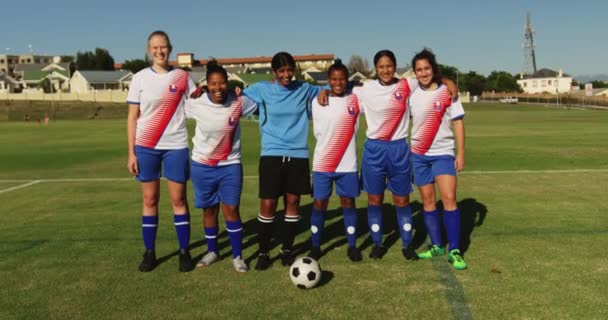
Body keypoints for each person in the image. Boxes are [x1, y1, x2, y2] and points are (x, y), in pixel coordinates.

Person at [319, 50, 457, 261]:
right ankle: (377, 243)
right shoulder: (364, 88)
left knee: (401, 200)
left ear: (394, 67)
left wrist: (449, 82)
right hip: (374, 150)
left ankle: (407, 245)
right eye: (381, 66)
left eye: (389, 66)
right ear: (376, 69)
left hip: (399, 149)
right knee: (374, 199)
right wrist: (324, 90)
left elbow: (430, 78)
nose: (385, 70)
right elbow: (338, 85)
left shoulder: (406, 84)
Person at [243, 52, 325, 270]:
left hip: (298, 154)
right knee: (268, 204)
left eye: (290, 70)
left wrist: (325, 92)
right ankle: (263, 252)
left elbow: (331, 89)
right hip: (271, 154)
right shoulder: (261, 89)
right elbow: (234, 96)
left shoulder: (305, 88)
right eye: (282, 71)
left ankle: (286, 249)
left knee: (293, 202)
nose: (287, 75)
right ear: (274, 72)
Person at [126, 30, 196, 272]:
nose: (159, 51)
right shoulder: (139, 78)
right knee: (150, 199)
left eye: (163, 46)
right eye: (154, 47)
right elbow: (132, 117)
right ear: (149, 50)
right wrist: (131, 153)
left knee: (179, 200)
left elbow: (199, 104)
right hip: (146, 147)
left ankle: (185, 251)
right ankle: (149, 252)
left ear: (170, 48)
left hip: (175, 145)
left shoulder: (183, 77)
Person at [184, 61, 257, 273]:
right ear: (207, 84)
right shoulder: (195, 102)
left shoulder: (239, 101)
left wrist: (242, 90)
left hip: (230, 165)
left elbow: (261, 102)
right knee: (209, 210)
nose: (218, 88)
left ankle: (237, 256)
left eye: (222, 83)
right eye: (213, 84)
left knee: (231, 209)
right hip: (202, 165)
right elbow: (174, 106)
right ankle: (213, 251)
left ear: (228, 83)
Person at [409, 48, 467, 270]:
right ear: (414, 72)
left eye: (426, 68)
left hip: (443, 153)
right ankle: (436, 245)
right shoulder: (412, 93)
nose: (423, 73)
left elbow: (458, 123)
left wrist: (460, 153)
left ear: (433, 69)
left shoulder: (447, 92)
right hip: (419, 155)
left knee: (450, 198)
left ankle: (454, 249)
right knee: (428, 201)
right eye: (419, 70)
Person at [309, 59, 362, 262]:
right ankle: (315, 246)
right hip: (323, 163)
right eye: (333, 79)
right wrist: (322, 89)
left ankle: (352, 245)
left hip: (347, 164)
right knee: (319, 204)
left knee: (348, 202)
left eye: (341, 79)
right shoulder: (317, 101)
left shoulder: (355, 99)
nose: (338, 82)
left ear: (346, 80)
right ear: (328, 80)